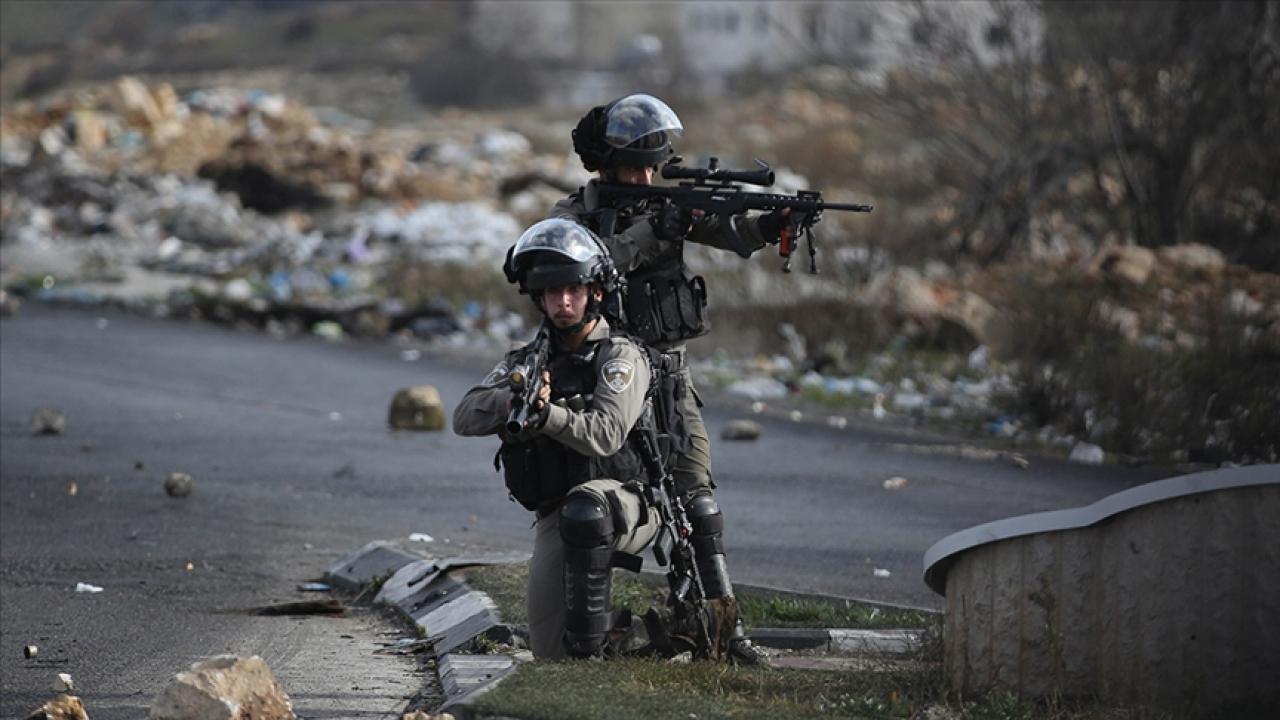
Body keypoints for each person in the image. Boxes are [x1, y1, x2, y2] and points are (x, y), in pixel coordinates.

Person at [546, 93, 780, 664]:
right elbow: (588, 268)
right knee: (598, 511)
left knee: (698, 502)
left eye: (653, 165)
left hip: (672, 379)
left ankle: (725, 631)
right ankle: (587, 643)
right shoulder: (573, 217)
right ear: (605, 167)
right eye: (634, 168)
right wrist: (655, 228)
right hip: (611, 382)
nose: (647, 177)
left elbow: (733, 234)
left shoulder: (662, 202)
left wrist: (771, 224)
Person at [453, 218, 665, 659]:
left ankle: (614, 641)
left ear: (594, 294)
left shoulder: (619, 356)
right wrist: (514, 398)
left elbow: (606, 435)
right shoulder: (529, 359)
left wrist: (547, 415)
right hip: (560, 511)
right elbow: (464, 415)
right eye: (553, 293)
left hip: (628, 501)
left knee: (585, 509)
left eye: (573, 290)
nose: (563, 302)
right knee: (549, 650)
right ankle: (603, 654)